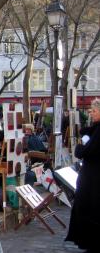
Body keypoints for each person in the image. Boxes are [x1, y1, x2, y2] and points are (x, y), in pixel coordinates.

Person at [66, 99, 100, 252]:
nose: (91, 113)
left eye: (94, 111)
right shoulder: (96, 129)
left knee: (90, 209)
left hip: (94, 178)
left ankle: (91, 243)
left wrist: (79, 147)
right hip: (92, 176)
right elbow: (88, 132)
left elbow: (84, 152)